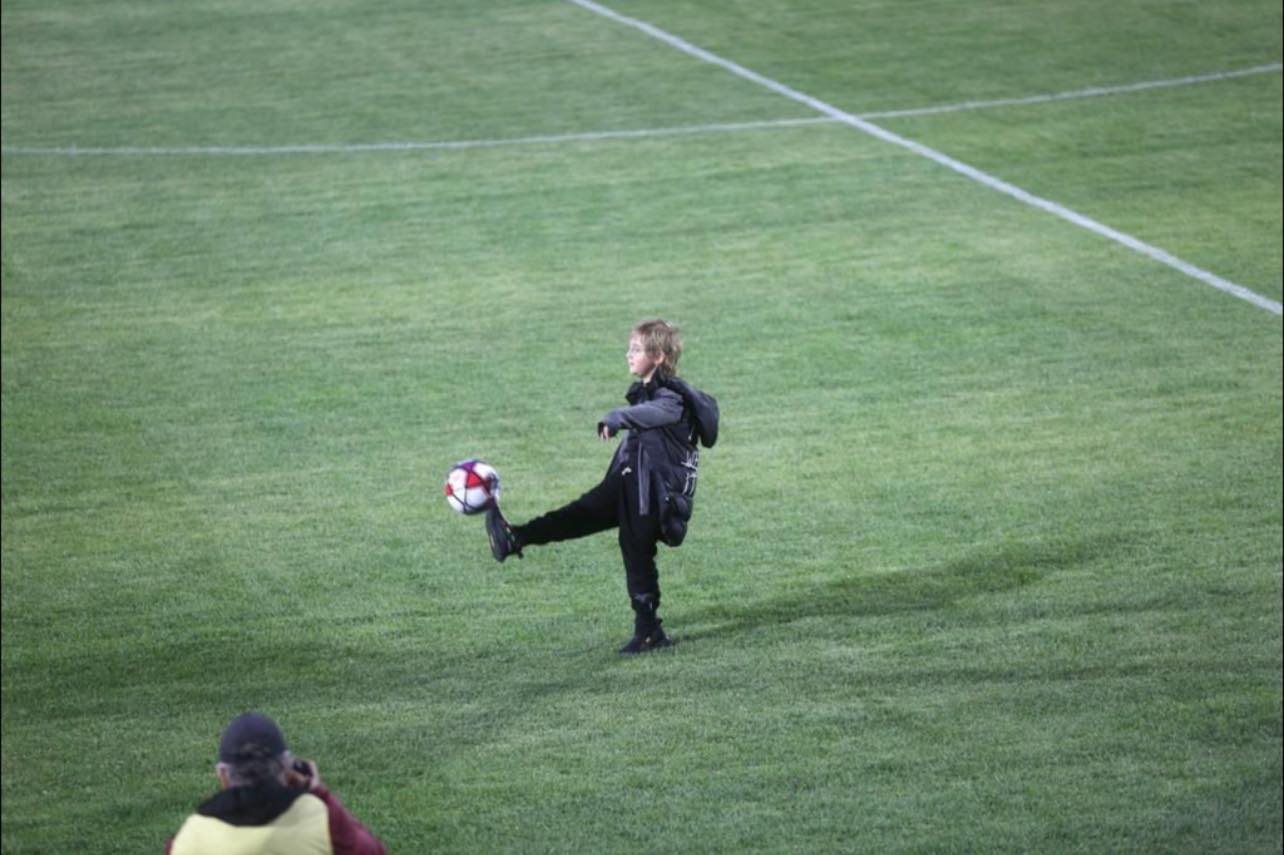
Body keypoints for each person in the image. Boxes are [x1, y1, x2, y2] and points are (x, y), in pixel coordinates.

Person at [486, 319, 719, 654]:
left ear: (657, 356)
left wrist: (616, 417)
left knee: (635, 550)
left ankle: (649, 632)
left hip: (651, 496)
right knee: (577, 515)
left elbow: (654, 414)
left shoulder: (671, 398)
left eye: (636, 349)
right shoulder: (647, 393)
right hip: (627, 483)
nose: (628, 354)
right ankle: (515, 537)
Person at [166, 712, 387, 855]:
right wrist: (319, 792)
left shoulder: (190, 837)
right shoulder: (316, 818)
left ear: (223, 775)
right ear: (287, 768)